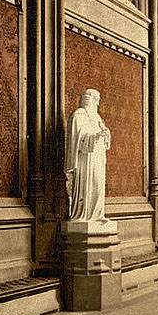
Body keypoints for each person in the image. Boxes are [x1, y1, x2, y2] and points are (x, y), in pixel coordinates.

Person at [65, 89, 112, 227]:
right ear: (89, 99)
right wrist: (95, 136)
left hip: (97, 157)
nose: (97, 103)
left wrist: (105, 134)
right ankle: (85, 215)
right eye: (96, 99)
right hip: (85, 160)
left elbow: (102, 133)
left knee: (98, 185)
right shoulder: (79, 115)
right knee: (88, 185)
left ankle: (97, 215)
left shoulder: (96, 117)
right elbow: (77, 138)